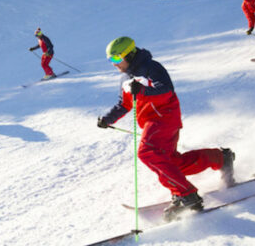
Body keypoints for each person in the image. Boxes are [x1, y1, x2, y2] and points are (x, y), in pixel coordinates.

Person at [97, 36, 236, 222]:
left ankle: (187, 195)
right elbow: (124, 104)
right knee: (171, 164)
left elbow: (166, 90)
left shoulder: (151, 68)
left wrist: (142, 90)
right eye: (110, 60)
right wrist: (108, 118)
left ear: (128, 54)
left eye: (115, 59)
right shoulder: (125, 78)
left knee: (148, 153)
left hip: (165, 117)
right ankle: (221, 158)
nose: (113, 64)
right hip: (150, 122)